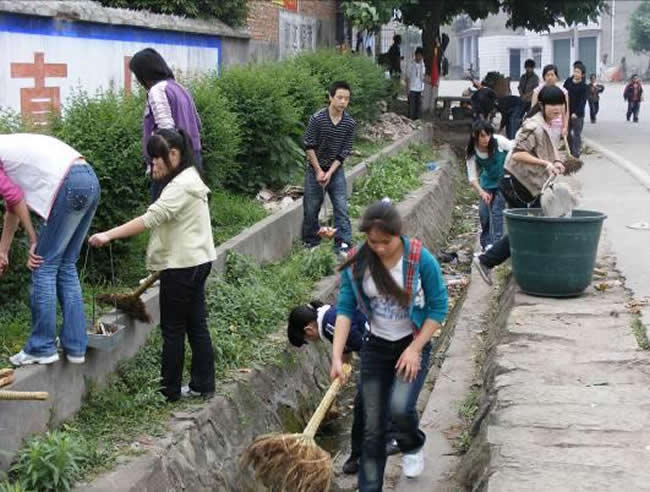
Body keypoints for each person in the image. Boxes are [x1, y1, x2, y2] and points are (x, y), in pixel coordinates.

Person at [89, 129, 216, 402]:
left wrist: (108, 234)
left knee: (173, 330)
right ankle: (203, 385)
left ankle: (169, 392)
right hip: (198, 260)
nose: (153, 165)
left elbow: (150, 218)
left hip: (183, 266)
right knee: (196, 324)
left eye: (157, 159)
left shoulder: (180, 185)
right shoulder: (190, 177)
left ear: (174, 155)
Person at [330, 199, 448, 491]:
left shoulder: (420, 259)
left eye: (386, 242)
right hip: (377, 346)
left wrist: (415, 348)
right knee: (372, 428)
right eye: (373, 242)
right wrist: (336, 357)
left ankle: (412, 443)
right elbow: (345, 310)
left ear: (399, 234)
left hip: (411, 342)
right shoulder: (359, 263)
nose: (380, 248)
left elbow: (438, 308)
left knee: (399, 407)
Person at [0, 134, 100, 366]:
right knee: (65, 264)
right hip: (89, 179)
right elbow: (13, 207)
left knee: (42, 266)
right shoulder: (8, 148)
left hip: (70, 183)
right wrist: (3, 250)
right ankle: (76, 346)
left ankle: (42, 346)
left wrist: (33, 238)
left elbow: (15, 199)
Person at [473, 86, 567, 285]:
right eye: (552, 104)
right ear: (542, 105)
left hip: (530, 183)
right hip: (516, 183)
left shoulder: (551, 124)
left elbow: (552, 147)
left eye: (560, 104)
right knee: (532, 226)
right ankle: (489, 261)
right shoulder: (533, 126)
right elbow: (517, 153)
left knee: (531, 226)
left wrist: (557, 161)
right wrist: (545, 164)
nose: (557, 108)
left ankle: (505, 263)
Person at [129, 48, 202, 200]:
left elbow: (166, 131)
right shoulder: (180, 88)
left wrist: (158, 165)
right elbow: (197, 123)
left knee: (163, 214)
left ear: (144, 73)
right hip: (193, 157)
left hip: (170, 163)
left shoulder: (157, 90)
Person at [302, 81, 355, 254]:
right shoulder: (317, 119)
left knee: (341, 206)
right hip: (314, 168)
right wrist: (318, 171)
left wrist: (330, 172)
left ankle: (343, 243)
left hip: (335, 169)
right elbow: (309, 145)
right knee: (311, 207)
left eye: (346, 99)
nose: (343, 102)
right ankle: (311, 242)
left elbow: (344, 151)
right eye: (339, 97)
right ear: (330, 97)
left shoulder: (349, 123)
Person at [466, 120, 513, 252]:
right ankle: (486, 242)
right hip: (487, 182)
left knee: (497, 210)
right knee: (483, 212)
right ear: (475, 136)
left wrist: (509, 168)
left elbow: (514, 148)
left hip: (503, 180)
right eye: (482, 136)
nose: (486, 139)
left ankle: (496, 243)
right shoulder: (472, 151)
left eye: (488, 135)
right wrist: (482, 192)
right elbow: (472, 177)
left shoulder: (499, 141)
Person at [531, 64, 569, 146]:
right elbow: (533, 109)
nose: (550, 77)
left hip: (557, 125)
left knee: (553, 148)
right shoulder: (537, 91)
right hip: (541, 124)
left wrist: (565, 126)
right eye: (547, 75)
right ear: (544, 77)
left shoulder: (563, 92)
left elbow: (565, 111)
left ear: (556, 77)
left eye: (552, 75)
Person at [563, 62, 588, 157]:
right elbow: (563, 94)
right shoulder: (568, 82)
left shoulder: (584, 87)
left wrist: (576, 113)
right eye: (575, 71)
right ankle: (569, 151)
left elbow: (583, 101)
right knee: (567, 133)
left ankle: (576, 152)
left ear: (582, 74)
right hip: (567, 112)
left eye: (578, 72)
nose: (576, 73)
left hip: (578, 114)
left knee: (576, 134)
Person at [406, 47, 425, 120]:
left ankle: (417, 122)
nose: (420, 57)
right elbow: (407, 77)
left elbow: (423, 77)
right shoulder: (410, 64)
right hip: (412, 88)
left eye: (421, 56)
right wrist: (407, 89)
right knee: (411, 107)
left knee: (419, 107)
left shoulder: (423, 65)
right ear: (416, 55)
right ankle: (410, 121)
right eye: (418, 55)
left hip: (420, 89)